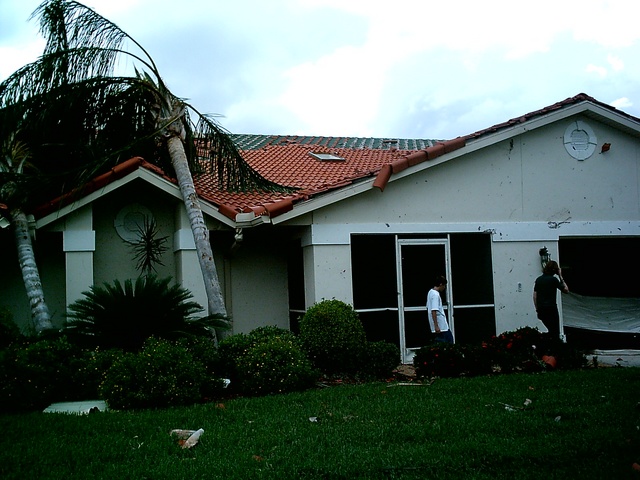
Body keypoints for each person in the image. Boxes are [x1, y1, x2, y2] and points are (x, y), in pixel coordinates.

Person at [533, 260, 569, 337]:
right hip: (551, 308)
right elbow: (566, 290)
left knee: (550, 330)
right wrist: (560, 276)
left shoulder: (538, 280)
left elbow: (535, 296)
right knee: (555, 332)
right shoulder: (553, 280)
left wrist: (537, 309)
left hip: (541, 308)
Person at [427, 275, 453, 343]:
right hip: (441, 327)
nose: (444, 288)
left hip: (439, 327)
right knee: (449, 341)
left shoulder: (430, 292)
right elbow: (434, 310)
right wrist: (436, 326)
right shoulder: (435, 295)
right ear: (441, 284)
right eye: (444, 286)